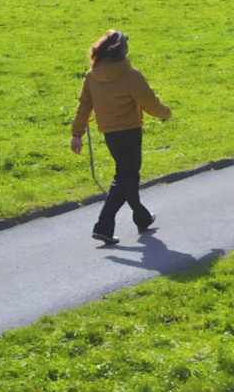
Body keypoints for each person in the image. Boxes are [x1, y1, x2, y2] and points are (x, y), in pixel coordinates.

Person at [70, 29, 172, 245]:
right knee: (125, 176)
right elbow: (150, 102)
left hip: (110, 134)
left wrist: (76, 134)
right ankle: (103, 225)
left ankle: (141, 217)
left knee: (128, 175)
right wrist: (166, 113)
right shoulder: (130, 75)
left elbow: (84, 106)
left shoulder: (91, 76)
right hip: (130, 132)